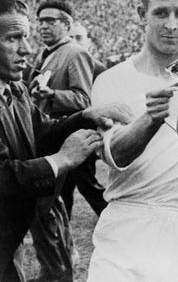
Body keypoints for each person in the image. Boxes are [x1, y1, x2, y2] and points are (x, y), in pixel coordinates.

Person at [87, 0, 178, 282]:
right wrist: (150, 119)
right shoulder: (112, 80)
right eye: (160, 13)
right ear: (141, 14)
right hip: (127, 225)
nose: (172, 24)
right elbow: (113, 155)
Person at [0, 0, 132, 282]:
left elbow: (40, 129)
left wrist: (85, 116)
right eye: (13, 38)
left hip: (11, 230)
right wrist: (60, 159)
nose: (25, 48)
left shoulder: (16, 88)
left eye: (26, 37)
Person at [28, 0, 95, 282]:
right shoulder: (49, 53)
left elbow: (83, 99)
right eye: (40, 20)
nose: (43, 25)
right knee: (53, 205)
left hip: (64, 139)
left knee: (49, 205)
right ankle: (60, 264)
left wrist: (52, 96)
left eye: (50, 20)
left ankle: (58, 268)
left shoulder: (74, 53)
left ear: (67, 25)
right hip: (48, 138)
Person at [58, 21, 108, 221]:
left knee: (85, 181)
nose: (74, 42)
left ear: (89, 42)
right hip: (66, 132)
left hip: (88, 133)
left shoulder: (99, 69)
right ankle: (64, 223)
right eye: (71, 37)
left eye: (79, 37)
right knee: (66, 184)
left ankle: (108, 214)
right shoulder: (68, 63)